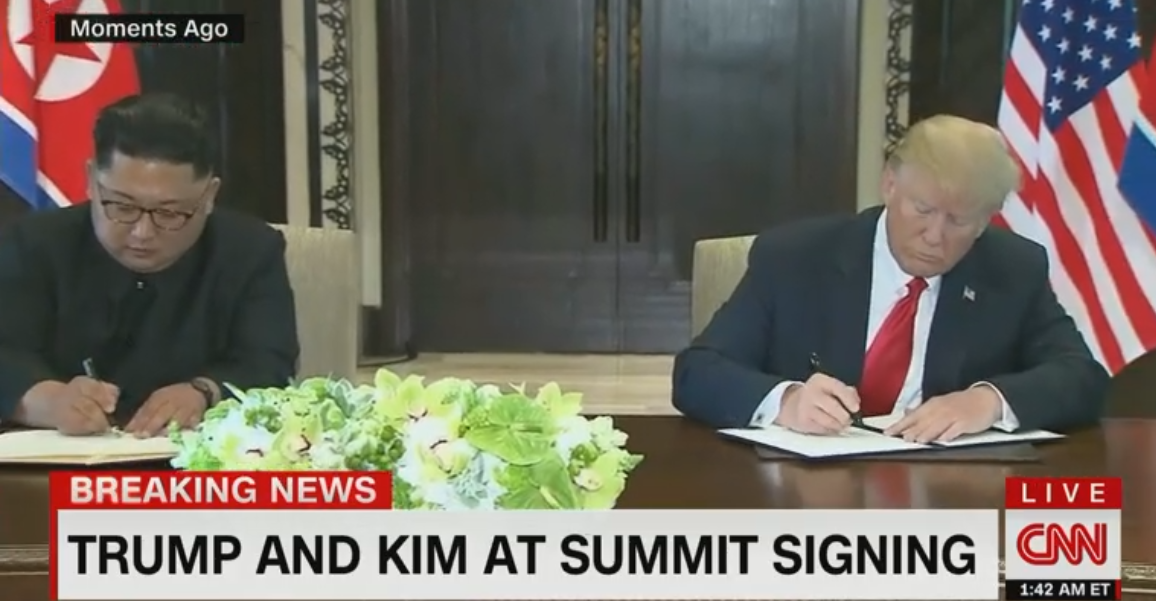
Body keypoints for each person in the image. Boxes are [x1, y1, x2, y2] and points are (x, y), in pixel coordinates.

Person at [673, 115, 1108, 441]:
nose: (934, 236)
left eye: (959, 221)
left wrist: (987, 401)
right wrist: (786, 401)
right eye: (923, 210)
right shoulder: (795, 257)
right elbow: (697, 373)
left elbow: (1083, 379)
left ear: (985, 220)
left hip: (948, 498)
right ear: (889, 185)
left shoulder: (1014, 269)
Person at [0, 93, 300, 437]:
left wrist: (204, 392)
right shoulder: (33, 244)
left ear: (209, 196)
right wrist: (48, 400)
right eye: (122, 206)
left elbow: (269, 362)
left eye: (170, 213)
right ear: (91, 180)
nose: (142, 233)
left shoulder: (250, 251)